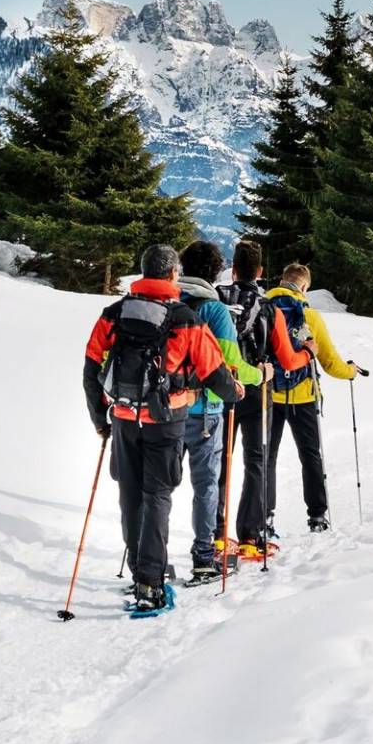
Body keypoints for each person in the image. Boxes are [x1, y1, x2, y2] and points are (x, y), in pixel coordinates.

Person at [82, 244, 241, 615]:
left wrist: (99, 419)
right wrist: (235, 391)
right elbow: (213, 371)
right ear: (172, 274)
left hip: (123, 417)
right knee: (157, 496)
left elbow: (91, 369)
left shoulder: (115, 312)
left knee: (130, 493)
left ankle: (142, 570)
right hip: (167, 420)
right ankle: (150, 584)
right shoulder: (185, 318)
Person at [176, 240, 261, 584]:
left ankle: (148, 559)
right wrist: (260, 374)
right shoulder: (214, 310)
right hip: (205, 409)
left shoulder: (166, 302)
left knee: (160, 486)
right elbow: (232, 365)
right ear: (215, 271)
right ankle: (203, 558)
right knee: (206, 484)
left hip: (165, 407)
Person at [264, 263, 361, 536]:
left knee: (267, 457)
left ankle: (266, 518)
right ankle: (317, 515)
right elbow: (329, 362)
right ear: (304, 287)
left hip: (268, 394)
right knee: (310, 456)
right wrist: (350, 371)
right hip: (303, 396)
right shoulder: (310, 317)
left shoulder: (264, 309)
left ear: (281, 281)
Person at [220, 240, 276, 556]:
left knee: (219, 461)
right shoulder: (268, 306)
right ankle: (250, 536)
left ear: (233, 269)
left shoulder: (219, 300)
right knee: (255, 460)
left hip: (223, 389)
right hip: (256, 391)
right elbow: (280, 350)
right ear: (260, 272)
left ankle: (215, 534)